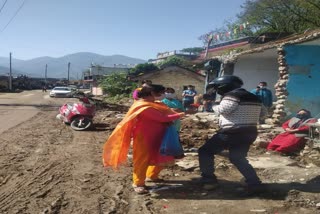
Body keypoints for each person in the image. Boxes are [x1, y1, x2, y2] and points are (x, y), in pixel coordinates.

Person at [102, 84, 185, 194]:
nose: (161, 95)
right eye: (158, 93)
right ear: (151, 93)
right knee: (142, 159)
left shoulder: (154, 104)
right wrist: (182, 114)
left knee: (162, 154)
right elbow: (162, 118)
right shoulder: (142, 106)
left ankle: (152, 176)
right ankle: (138, 183)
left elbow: (166, 113)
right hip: (144, 136)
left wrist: (175, 113)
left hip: (159, 135)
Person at [197, 75, 263, 195]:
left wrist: (212, 105)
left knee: (205, 151)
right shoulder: (254, 97)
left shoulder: (232, 95)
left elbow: (223, 110)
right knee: (237, 157)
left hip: (232, 132)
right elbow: (263, 114)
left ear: (224, 86)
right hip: (250, 132)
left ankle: (209, 181)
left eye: (217, 88)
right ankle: (254, 183)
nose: (217, 90)